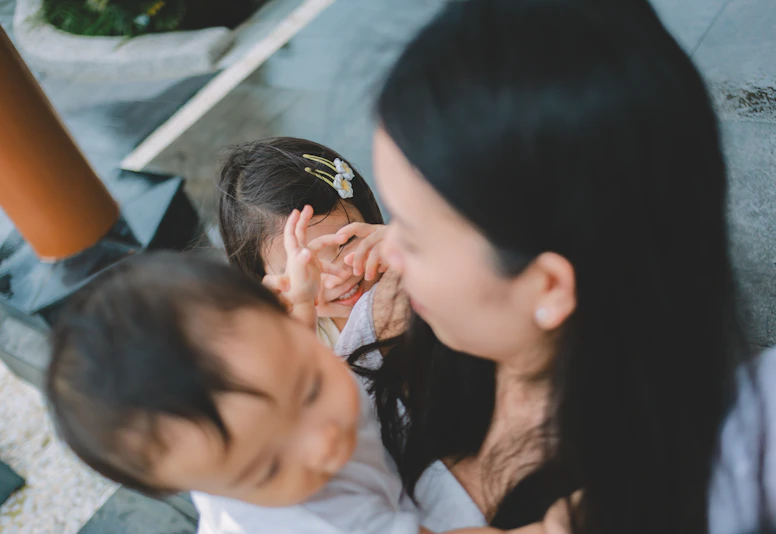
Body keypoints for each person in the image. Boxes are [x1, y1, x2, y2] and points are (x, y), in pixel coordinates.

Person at [335, 0, 769, 533]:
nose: (386, 255)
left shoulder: (696, 483)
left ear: (548, 287)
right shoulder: (386, 320)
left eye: (416, 237)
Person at [45, 248, 572, 534]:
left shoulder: (251, 399)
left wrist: (301, 302)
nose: (322, 445)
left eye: (309, 389)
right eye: (268, 468)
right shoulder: (308, 520)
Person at [217, 137, 389, 348]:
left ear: (367, 216)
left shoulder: (407, 264)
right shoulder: (295, 345)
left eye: (347, 240)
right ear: (263, 280)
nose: (339, 276)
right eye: (306, 265)